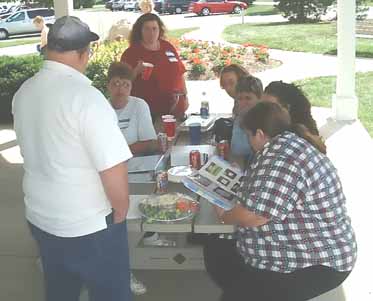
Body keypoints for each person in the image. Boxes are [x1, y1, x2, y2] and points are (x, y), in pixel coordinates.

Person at [12, 16, 133, 301]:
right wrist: (120, 211)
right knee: (110, 295)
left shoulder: (24, 92)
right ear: (84, 53)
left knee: (60, 291)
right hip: (87, 224)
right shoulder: (87, 99)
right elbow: (113, 168)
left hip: (41, 217)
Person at [204, 101, 357, 301]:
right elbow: (267, 193)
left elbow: (254, 217)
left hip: (316, 260)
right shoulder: (284, 146)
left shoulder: (283, 158)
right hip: (304, 244)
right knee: (218, 249)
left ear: (259, 134)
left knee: (232, 285)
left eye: (249, 136)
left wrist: (224, 214)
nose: (249, 142)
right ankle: (245, 287)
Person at [121, 13, 188, 120]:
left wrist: (185, 96)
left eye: (154, 28)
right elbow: (121, 83)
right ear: (140, 31)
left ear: (159, 30)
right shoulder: (131, 53)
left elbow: (180, 72)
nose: (151, 33)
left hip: (175, 109)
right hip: (148, 113)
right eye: (147, 29)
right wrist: (136, 71)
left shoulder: (167, 47)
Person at [107, 61, 159, 157]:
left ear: (131, 87)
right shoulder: (101, 108)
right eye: (116, 84)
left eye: (126, 84)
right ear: (108, 86)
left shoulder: (139, 105)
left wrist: (119, 153)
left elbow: (149, 143)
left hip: (138, 164)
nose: (121, 89)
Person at [230, 75, 263, 159]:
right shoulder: (238, 119)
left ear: (260, 98)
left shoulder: (263, 122)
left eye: (248, 98)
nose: (243, 103)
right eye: (240, 98)